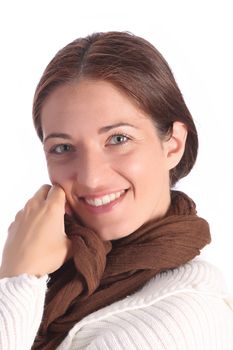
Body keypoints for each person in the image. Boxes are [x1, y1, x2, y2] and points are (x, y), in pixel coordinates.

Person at [0, 31, 233, 350]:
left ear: (173, 145)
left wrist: (18, 279)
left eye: (118, 139)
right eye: (63, 147)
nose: (91, 178)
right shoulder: (60, 272)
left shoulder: (176, 324)